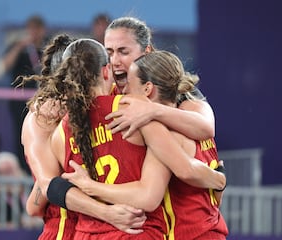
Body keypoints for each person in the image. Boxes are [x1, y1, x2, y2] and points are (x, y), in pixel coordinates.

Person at [31, 38, 225, 239]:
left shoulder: (59, 133)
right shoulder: (134, 109)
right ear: (106, 71)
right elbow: (165, 183)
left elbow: (41, 195)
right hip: (139, 231)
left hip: (85, 233)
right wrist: (219, 180)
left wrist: (92, 193)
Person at [22, 34, 145, 239]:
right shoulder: (43, 117)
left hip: (95, 227)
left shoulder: (109, 101)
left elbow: (36, 203)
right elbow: (44, 191)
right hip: (81, 226)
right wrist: (107, 212)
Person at [103, 17, 215, 140]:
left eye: (123, 52)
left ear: (146, 52)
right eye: (109, 53)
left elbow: (206, 128)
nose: (114, 61)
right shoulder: (105, 92)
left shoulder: (174, 86)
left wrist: (151, 110)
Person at [0, 15, 49, 174]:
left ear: (42, 30)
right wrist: (19, 47)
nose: (34, 32)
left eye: (37, 28)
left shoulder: (48, 48)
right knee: (21, 134)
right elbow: (5, 66)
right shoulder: (18, 47)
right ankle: (22, 168)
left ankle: (42, 167)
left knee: (42, 133)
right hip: (20, 101)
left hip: (42, 101)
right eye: (31, 28)